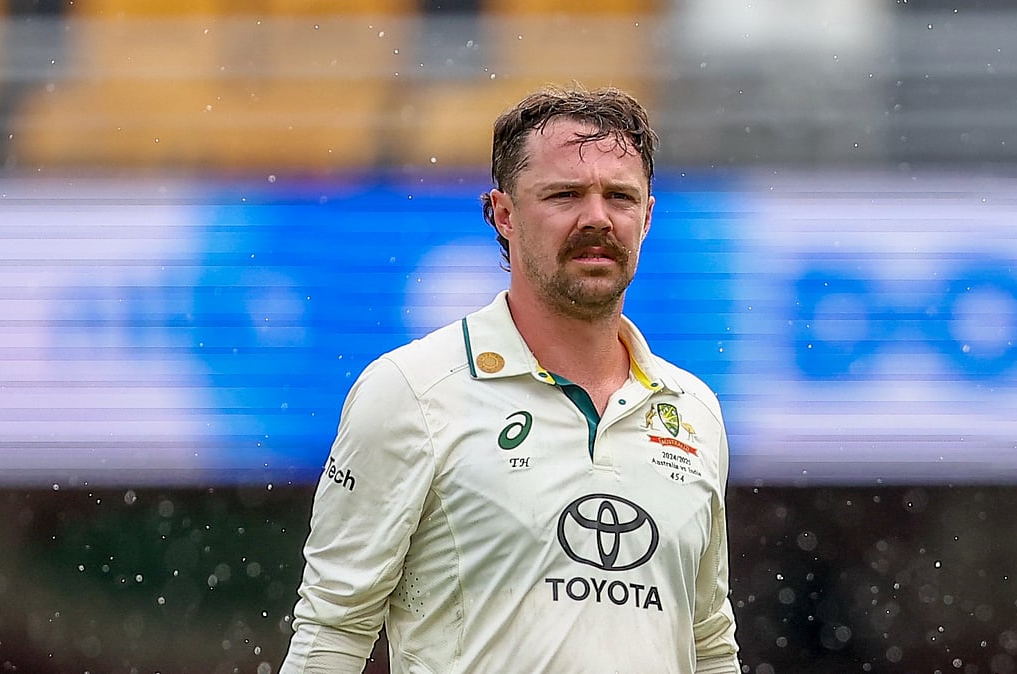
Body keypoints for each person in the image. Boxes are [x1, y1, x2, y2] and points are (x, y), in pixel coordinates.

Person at [280, 85, 741, 674]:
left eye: (619, 197)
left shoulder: (694, 410)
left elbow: (709, 644)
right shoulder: (411, 390)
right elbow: (332, 633)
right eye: (565, 195)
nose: (596, 217)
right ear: (502, 213)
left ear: (647, 217)